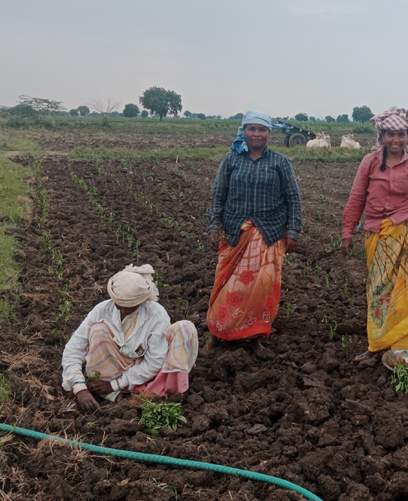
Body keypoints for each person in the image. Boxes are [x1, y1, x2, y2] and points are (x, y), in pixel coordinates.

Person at [341, 107, 408, 361]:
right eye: (390, 134)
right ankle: (378, 344)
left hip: (406, 229)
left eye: (401, 134)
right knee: (379, 289)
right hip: (377, 231)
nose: (396, 140)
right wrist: (347, 230)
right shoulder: (369, 162)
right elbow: (356, 197)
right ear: (381, 136)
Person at [204, 110, 302, 356]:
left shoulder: (280, 162)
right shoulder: (231, 160)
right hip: (236, 231)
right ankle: (217, 334)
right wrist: (213, 225)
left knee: (262, 288)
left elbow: (293, 198)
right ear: (244, 131)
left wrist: (293, 231)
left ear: (269, 133)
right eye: (252, 129)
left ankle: (254, 338)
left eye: (262, 130)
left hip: (269, 233)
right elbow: (218, 194)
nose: (257, 134)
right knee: (227, 285)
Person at [61, 264, 199, 412]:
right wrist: (80, 388)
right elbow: (73, 349)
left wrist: (116, 384)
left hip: (147, 372)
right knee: (98, 330)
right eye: (120, 305)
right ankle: (108, 391)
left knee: (184, 329)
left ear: (142, 301)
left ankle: (148, 390)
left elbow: (154, 361)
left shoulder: (156, 315)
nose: (125, 311)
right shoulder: (101, 311)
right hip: (111, 372)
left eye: (131, 306)